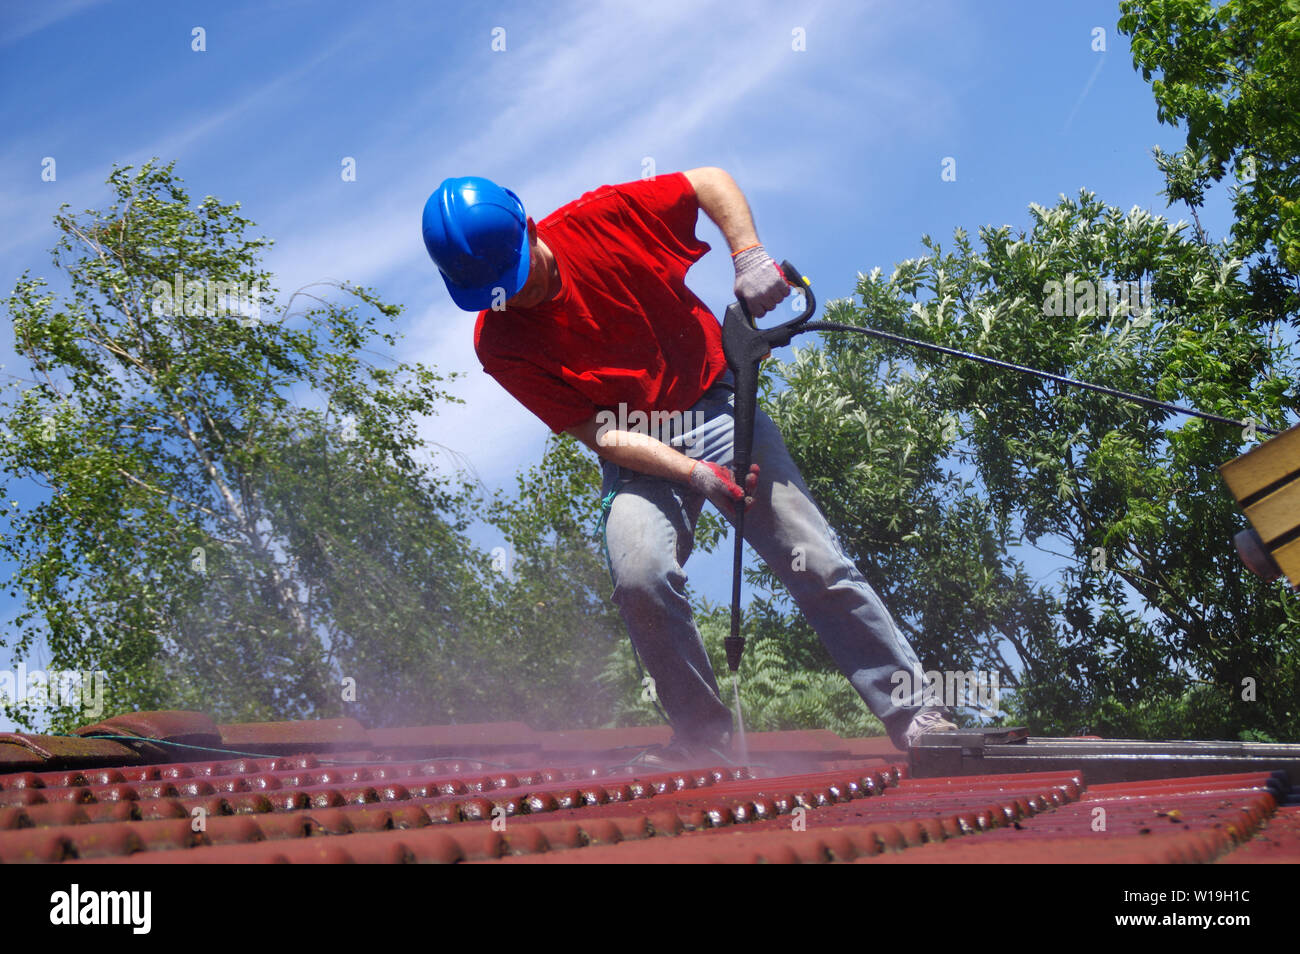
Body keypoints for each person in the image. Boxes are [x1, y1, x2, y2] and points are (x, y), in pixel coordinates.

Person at [421, 168, 956, 762]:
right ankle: (703, 737)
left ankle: (915, 715)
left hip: (715, 405)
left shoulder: (602, 220)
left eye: (514, 276)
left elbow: (708, 182)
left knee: (813, 559)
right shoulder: (499, 343)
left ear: (528, 226)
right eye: (492, 289)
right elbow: (599, 431)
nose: (510, 296)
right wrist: (693, 474)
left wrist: (749, 256)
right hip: (636, 450)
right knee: (639, 573)